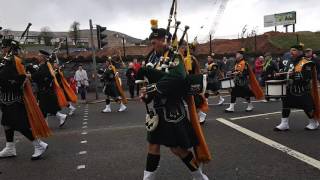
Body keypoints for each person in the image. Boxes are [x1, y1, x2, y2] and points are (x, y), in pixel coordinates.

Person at [140, 20, 208, 180]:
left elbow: (178, 77)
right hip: (157, 109)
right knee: (153, 145)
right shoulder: (154, 60)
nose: (153, 45)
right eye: (152, 42)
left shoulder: (175, 57)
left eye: (156, 42)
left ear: (167, 41)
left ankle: (198, 175)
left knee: (177, 149)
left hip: (172, 110)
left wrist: (152, 88)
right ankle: (148, 178)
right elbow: (151, 83)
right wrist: (146, 95)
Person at [0, 39, 48, 160]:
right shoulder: (6, 61)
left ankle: (39, 145)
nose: (1, 49)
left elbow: (19, 78)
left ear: (9, 48)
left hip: (14, 98)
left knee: (20, 125)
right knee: (6, 123)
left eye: (3, 47)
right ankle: (10, 147)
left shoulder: (15, 61)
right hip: (5, 98)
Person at [274, 44, 320, 131]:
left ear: (300, 52)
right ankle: (284, 123)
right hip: (290, 88)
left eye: (294, 50)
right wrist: (279, 74)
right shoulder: (288, 61)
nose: (291, 52)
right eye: (291, 50)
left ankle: (313, 122)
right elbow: (284, 72)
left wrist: (295, 75)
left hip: (302, 89)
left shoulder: (307, 62)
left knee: (307, 106)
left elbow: (307, 77)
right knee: (286, 104)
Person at [31, 50, 68, 127]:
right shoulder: (44, 66)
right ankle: (60, 117)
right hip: (45, 91)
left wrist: (29, 76)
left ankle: (46, 125)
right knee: (47, 109)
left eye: (39, 55)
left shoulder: (45, 67)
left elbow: (39, 76)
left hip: (45, 91)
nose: (38, 56)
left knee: (44, 109)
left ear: (43, 57)